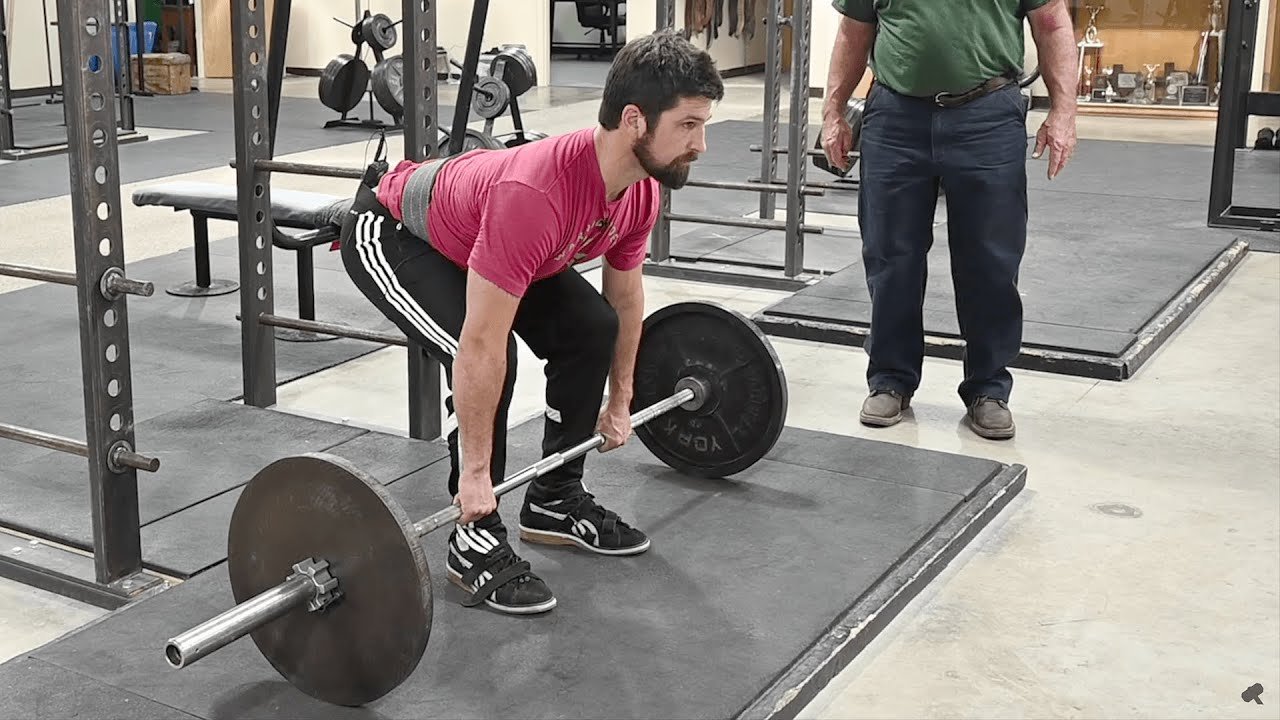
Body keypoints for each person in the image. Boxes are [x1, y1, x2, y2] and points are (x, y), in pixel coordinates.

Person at [337, 30, 724, 615]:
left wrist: (620, 401)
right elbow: (482, 344)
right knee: (492, 360)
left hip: (488, 236)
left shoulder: (638, 190)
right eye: (688, 126)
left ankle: (555, 497)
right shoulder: (538, 195)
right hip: (396, 234)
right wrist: (475, 476)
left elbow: (623, 303)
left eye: (703, 125)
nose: (701, 144)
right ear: (635, 121)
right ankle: (475, 535)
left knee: (591, 327)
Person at [820, 0, 1078, 439]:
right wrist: (833, 111)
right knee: (890, 255)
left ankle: (989, 387)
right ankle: (890, 379)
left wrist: (1064, 111)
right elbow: (852, 32)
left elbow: (1053, 25)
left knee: (991, 260)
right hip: (897, 117)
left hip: (988, 115)